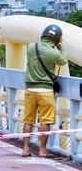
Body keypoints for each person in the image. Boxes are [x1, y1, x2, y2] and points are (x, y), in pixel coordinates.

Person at [22, 24, 67, 158]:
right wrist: (59, 47)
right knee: (45, 121)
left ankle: (25, 149)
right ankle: (42, 150)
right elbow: (63, 61)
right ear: (57, 39)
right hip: (46, 91)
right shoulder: (54, 53)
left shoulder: (31, 47)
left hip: (30, 90)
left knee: (28, 121)